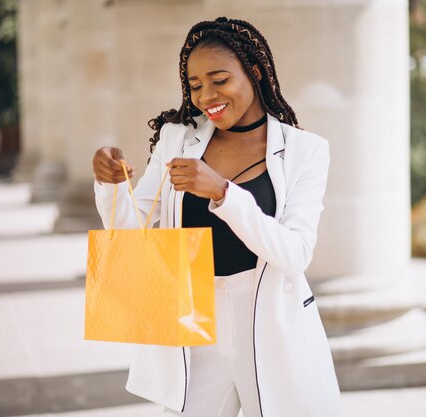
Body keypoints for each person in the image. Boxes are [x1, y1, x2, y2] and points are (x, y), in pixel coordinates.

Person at [92, 17, 342, 417]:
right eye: (195, 85)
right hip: (193, 319)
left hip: (271, 323)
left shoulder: (305, 151)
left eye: (219, 79)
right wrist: (111, 185)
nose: (207, 95)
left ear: (255, 72)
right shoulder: (178, 139)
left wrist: (223, 194)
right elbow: (129, 233)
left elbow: (295, 254)